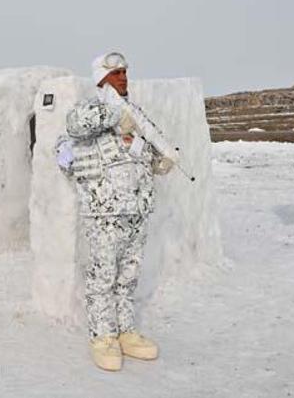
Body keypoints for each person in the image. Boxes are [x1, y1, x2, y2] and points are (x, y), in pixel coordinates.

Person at [55, 51, 176, 371]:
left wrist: (158, 161)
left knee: (128, 276)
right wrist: (112, 114)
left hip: (136, 209)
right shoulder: (89, 110)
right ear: (101, 79)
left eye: (125, 72)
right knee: (103, 277)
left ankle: (125, 331)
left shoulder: (135, 115)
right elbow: (74, 126)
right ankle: (103, 336)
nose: (123, 77)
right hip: (105, 213)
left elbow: (140, 150)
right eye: (116, 73)